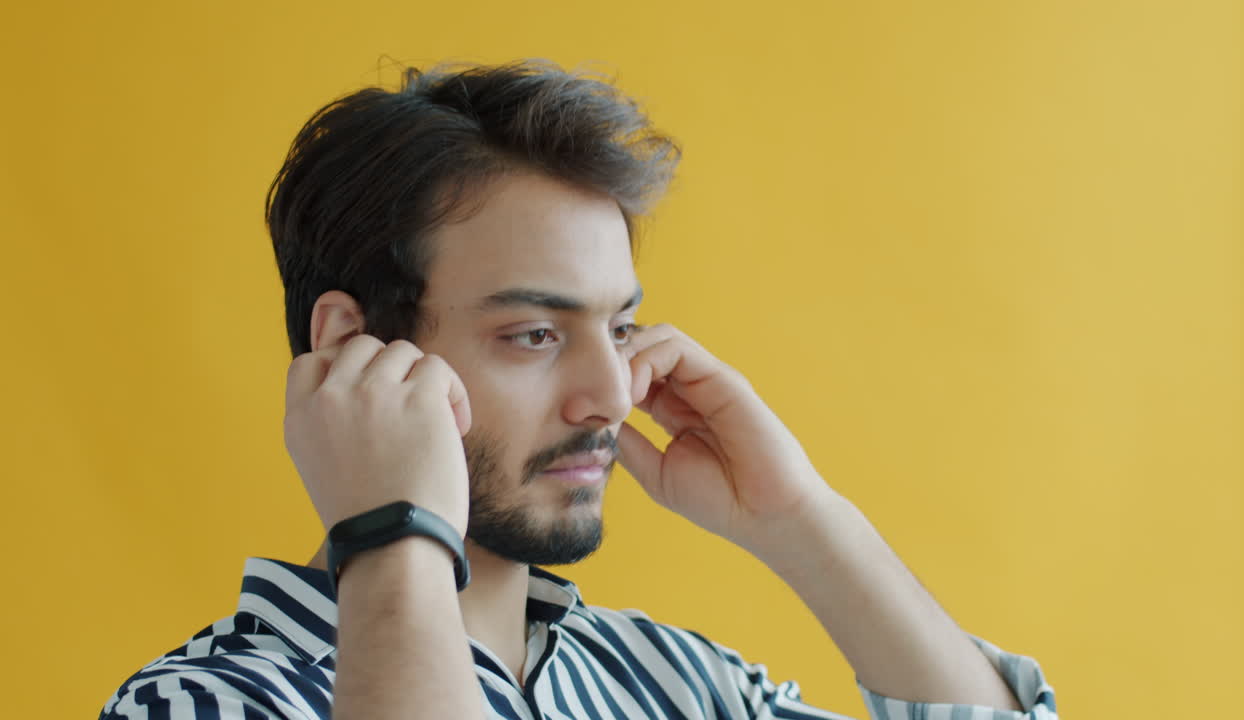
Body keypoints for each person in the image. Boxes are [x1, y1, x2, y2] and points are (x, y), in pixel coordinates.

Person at [100, 59, 1057, 720]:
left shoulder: (674, 682)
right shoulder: (202, 703)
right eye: (535, 334)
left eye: (622, 327)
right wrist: (391, 535)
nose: (611, 393)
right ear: (356, 346)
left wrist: (801, 521)